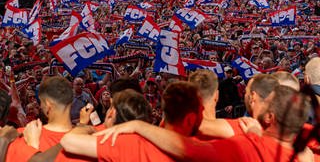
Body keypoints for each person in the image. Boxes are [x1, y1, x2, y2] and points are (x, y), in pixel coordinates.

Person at [93, 85, 313, 162]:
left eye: (267, 102)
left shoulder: (246, 146)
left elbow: (189, 150)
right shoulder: (307, 155)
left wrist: (139, 126)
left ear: (269, 118)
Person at [60, 81, 203, 161]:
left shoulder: (118, 142)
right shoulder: (168, 144)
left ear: (112, 112)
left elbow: (68, 141)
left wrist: (85, 125)